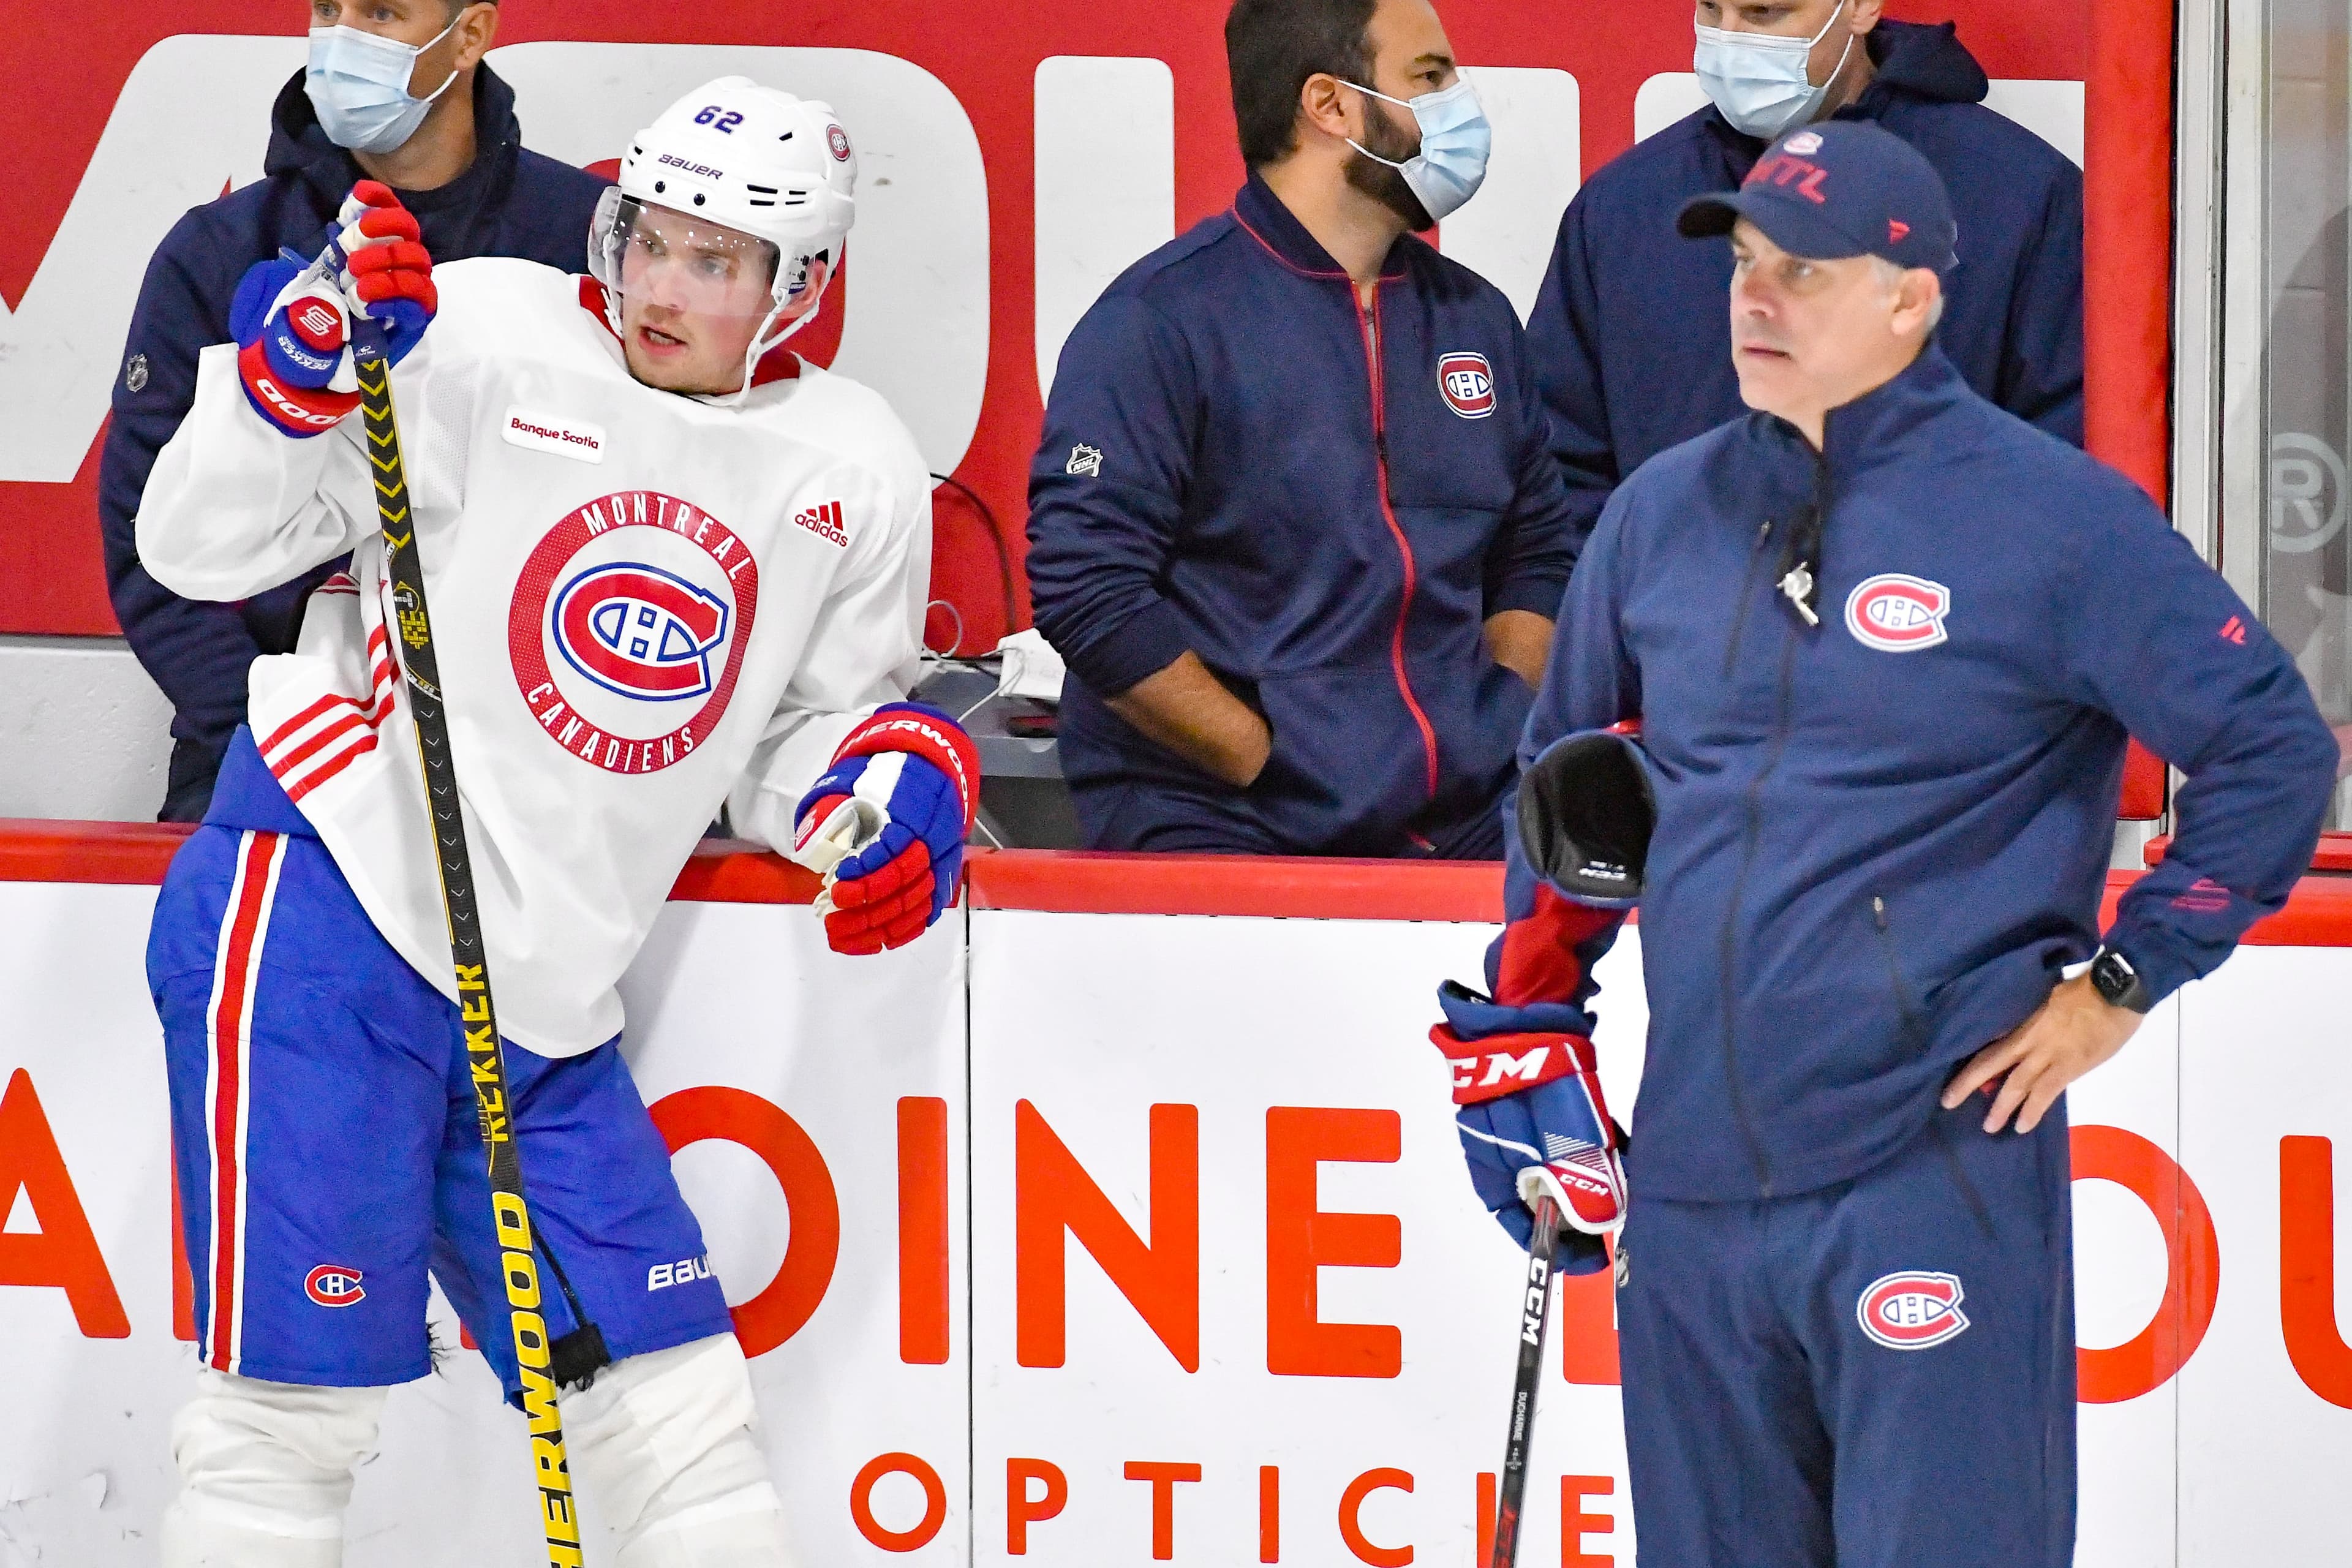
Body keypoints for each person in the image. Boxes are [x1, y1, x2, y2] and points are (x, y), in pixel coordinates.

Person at [1431, 124, 2336, 1566]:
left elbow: (2272, 751)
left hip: (1929, 1170)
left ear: (1908, 300)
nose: (1753, 299)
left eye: (1800, 271)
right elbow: (1569, 789)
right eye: (1739, 264)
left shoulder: (2051, 520)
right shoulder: (1658, 515)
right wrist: (1528, 1023)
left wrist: (2119, 981)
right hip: (1691, 1187)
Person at [135, 79, 969, 1566]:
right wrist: (294, 373)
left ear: (801, 287)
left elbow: (791, 736)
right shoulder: (482, 331)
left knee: (678, 1418)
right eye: (647, 237)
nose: (659, 284)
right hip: (328, 902)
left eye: (714, 262)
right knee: (282, 1426)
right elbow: (196, 545)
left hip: (542, 999)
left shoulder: (854, 465)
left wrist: (877, 781)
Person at [1024, 0, 1578, 858]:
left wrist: (1493, 716)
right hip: (1226, 822)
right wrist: (1262, 759)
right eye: (1430, 76)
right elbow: (1088, 590)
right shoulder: (1158, 322)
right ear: (1332, 105)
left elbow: (1537, 550)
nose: (1462, 100)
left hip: (1463, 819)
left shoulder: (1477, 320)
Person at [104, 0, 608, 824]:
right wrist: (266, 729)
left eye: (381, 12)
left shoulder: (581, 240)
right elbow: (147, 546)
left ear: (470, 36)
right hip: (262, 748)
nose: (341, 39)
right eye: (328, 8)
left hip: (533, 767)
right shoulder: (222, 251)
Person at [1526, 0, 2081, 556]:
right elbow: (1559, 474)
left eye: (1765, 13)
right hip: (1676, 633)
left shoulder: (2019, 196)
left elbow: (2065, 471)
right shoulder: (1625, 205)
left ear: (1860, 8)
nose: (1730, 40)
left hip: (1928, 624)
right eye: (1711, 10)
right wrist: (1637, 611)